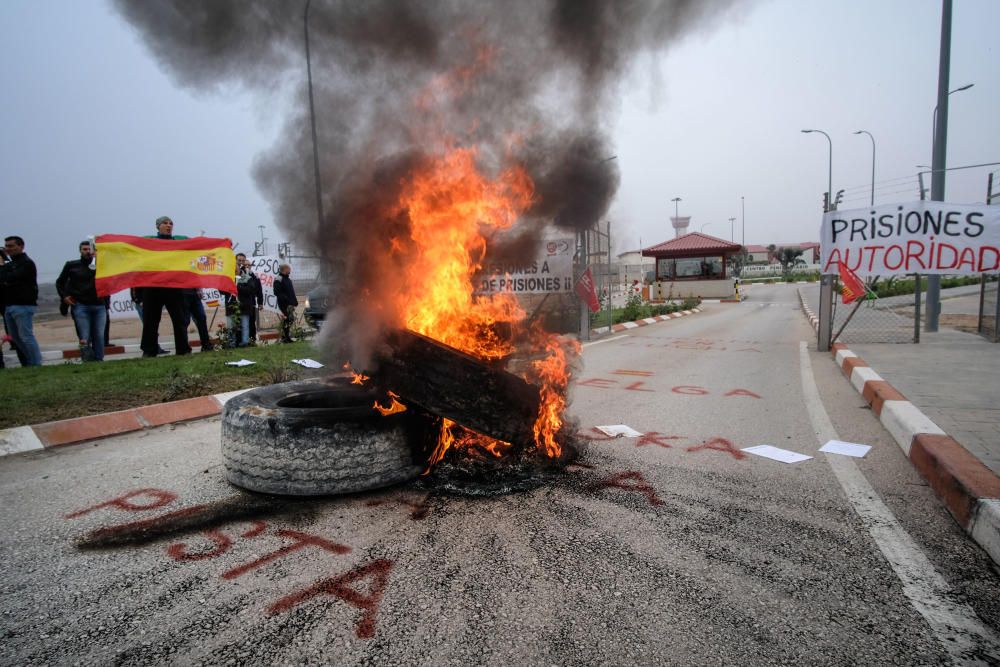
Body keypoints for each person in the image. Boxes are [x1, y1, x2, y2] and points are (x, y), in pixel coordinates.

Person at [139, 216, 191, 357]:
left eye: (171, 223)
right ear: (158, 226)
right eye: (165, 223)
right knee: (151, 320)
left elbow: (198, 244)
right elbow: (130, 246)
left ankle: (183, 349)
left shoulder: (179, 241)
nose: (169, 226)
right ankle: (149, 350)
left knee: (180, 319)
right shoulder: (148, 241)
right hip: (153, 286)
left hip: (173, 286)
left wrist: (222, 243)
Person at [55, 240, 106, 361]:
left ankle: (99, 359)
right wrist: (64, 296)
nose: (87, 252)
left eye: (90, 249)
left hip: (99, 305)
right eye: (85, 249)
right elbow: (60, 282)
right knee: (84, 336)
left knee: (99, 335)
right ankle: (87, 358)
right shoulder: (71, 265)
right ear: (80, 250)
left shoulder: (101, 264)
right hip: (81, 305)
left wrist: (100, 260)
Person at [0, 236, 43, 366]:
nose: (8, 249)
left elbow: (10, 279)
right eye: (6, 246)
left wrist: (1, 266)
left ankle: (36, 363)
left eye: (11, 246)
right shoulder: (10, 264)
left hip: (23, 305)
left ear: (21, 246)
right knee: (16, 338)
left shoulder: (26, 263)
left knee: (26, 336)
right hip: (9, 305)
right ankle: (30, 361)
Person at [234, 253, 263, 346]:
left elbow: (258, 290)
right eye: (245, 264)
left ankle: (252, 339)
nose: (246, 266)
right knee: (241, 323)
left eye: (248, 265)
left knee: (251, 323)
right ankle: (240, 341)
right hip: (242, 302)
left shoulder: (254, 277)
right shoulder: (239, 274)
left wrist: (260, 302)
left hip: (252, 303)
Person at [273, 263, 298, 343]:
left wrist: (294, 301)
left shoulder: (288, 279)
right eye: (289, 269)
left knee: (290, 319)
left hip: (290, 303)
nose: (290, 270)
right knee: (287, 319)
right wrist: (286, 300)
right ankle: (285, 337)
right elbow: (277, 292)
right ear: (285, 269)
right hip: (284, 304)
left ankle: (286, 336)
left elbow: (291, 292)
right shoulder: (279, 279)